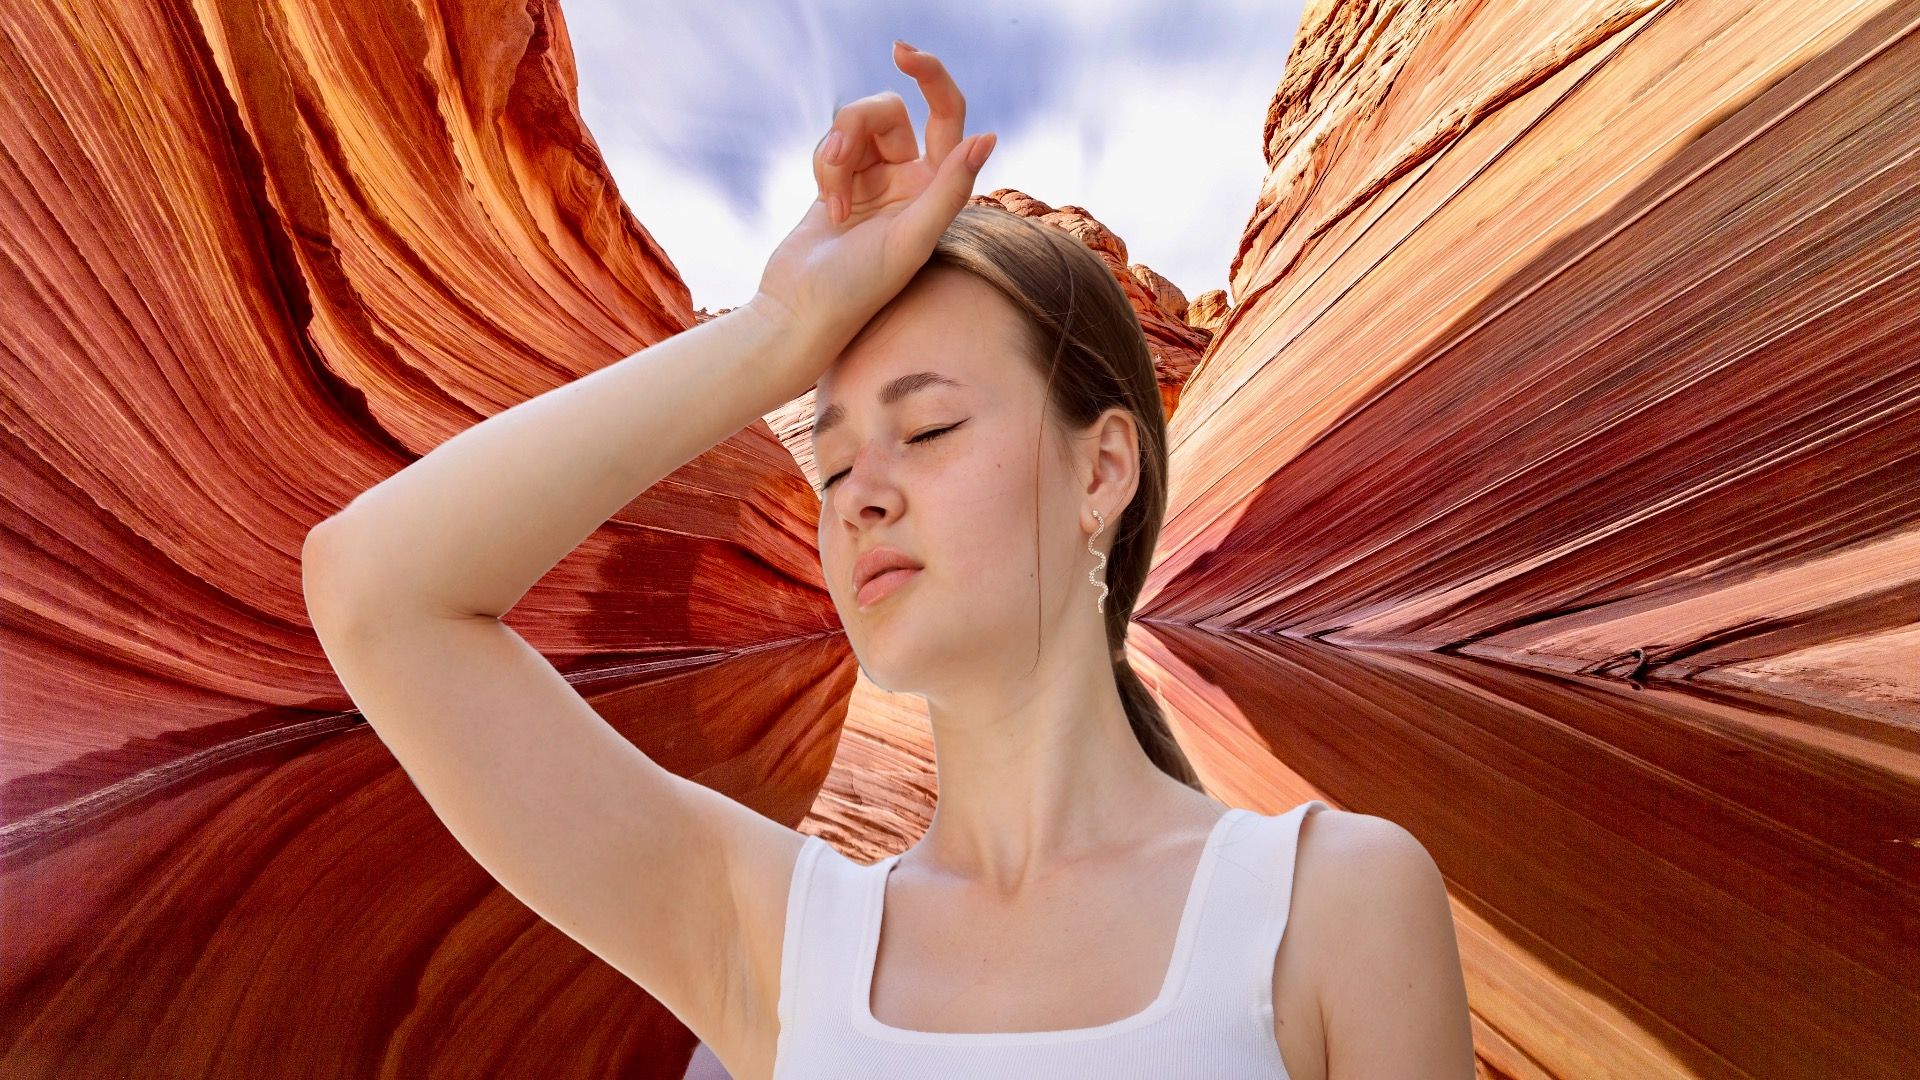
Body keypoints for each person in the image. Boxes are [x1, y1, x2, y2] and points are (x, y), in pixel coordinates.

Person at [302, 39, 1474, 1080]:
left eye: (927, 429)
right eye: (832, 464)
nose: (859, 493)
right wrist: (774, 333)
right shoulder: (782, 940)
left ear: (1102, 472)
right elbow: (374, 592)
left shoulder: (1334, 905)